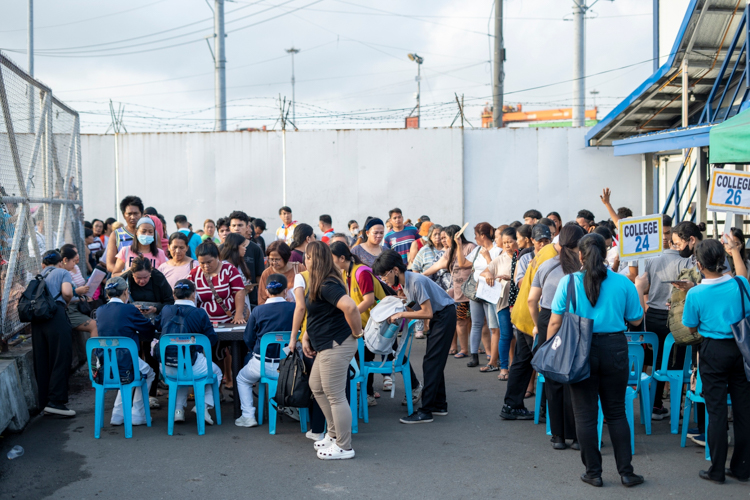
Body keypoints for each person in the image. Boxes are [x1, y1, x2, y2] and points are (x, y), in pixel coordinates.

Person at [548, 233, 644, 488]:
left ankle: (593, 472)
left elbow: (555, 322)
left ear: (580, 255)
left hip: (579, 349)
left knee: (585, 415)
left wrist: (551, 352)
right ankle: (626, 472)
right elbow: (635, 319)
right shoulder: (623, 283)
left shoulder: (568, 283)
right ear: (606, 253)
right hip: (615, 347)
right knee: (616, 412)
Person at [682, 238, 750, 483]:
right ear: (723, 261)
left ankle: (717, 470)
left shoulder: (696, 293)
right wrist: (735, 252)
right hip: (742, 349)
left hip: (712, 351)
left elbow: (690, 327)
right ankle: (742, 467)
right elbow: (742, 274)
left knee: (717, 411)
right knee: (744, 411)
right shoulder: (740, 284)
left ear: (699, 265)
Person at [373, 249, 457, 425]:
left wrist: (401, 315)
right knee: (434, 361)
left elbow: (427, 313)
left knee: (431, 362)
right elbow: (415, 307)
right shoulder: (406, 282)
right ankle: (439, 405)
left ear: (395, 270)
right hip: (441, 316)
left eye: (384, 275)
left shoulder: (415, 280)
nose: (384, 280)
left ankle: (426, 411)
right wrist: (404, 302)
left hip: (444, 316)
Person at [298, 241, 362, 459]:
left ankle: (344, 446)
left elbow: (351, 307)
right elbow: (318, 313)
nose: (303, 260)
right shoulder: (318, 281)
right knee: (316, 386)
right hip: (324, 343)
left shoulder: (327, 283)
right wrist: (306, 335)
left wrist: (357, 332)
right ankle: (334, 435)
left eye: (306, 256)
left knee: (335, 395)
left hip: (336, 343)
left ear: (312, 259)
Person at [528, 225, 585, 450]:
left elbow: (532, 300)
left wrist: (537, 325)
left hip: (548, 319)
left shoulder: (546, 265)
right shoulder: (584, 268)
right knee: (577, 376)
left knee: (553, 376)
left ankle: (558, 436)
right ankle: (579, 436)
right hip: (577, 321)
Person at [632, 216, 690, 421]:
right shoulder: (687, 261)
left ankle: (655, 405)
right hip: (677, 317)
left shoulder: (650, 260)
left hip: (654, 316)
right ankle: (677, 409)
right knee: (677, 364)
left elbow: (644, 286)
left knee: (657, 362)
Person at [501, 223, 557, 420]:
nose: (542, 243)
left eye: (546, 240)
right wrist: (537, 326)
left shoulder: (545, 258)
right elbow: (529, 290)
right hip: (531, 318)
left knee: (523, 362)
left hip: (528, 317)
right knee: (544, 364)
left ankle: (513, 405)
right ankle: (544, 410)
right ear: (531, 239)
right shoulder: (535, 258)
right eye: (539, 240)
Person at [156, 279, 222, 425]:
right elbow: (211, 339)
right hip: (193, 365)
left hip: (167, 367)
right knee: (216, 373)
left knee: (180, 377)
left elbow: (156, 325)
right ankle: (203, 407)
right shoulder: (199, 313)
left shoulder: (166, 310)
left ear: (174, 295)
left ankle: (178, 411)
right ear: (194, 294)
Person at [235, 274, 296, 428]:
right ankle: (294, 407)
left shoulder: (258, 311)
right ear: (285, 291)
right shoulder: (295, 307)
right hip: (291, 366)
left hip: (263, 364)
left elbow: (248, 338)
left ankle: (248, 416)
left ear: (267, 292)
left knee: (242, 379)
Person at [95, 276, 156, 426]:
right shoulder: (129, 309)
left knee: (130, 375)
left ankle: (118, 413)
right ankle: (137, 413)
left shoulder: (100, 310)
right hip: (125, 360)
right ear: (126, 292)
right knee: (147, 373)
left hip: (105, 362)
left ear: (107, 294)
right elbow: (148, 329)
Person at [33, 250, 75, 417]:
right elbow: (67, 292)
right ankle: (56, 402)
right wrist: (66, 304)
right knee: (60, 357)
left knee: (42, 360)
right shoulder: (63, 272)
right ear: (60, 262)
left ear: (43, 264)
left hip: (37, 319)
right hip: (55, 315)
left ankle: (45, 402)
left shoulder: (38, 275)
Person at [423, 225, 475, 358]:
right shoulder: (450, 251)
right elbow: (437, 266)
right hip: (459, 293)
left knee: (479, 322)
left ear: (454, 236)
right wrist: (420, 276)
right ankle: (464, 349)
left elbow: (468, 264)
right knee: (461, 320)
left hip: (474, 292)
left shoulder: (470, 247)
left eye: (445, 237)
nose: (443, 240)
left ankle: (480, 350)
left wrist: (458, 246)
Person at [481, 226, 520, 380]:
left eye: (510, 242)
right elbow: (485, 271)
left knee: (520, 337)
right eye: (504, 242)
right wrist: (489, 274)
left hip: (519, 303)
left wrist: (511, 278)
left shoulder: (522, 258)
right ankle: (504, 368)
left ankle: (516, 367)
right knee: (505, 335)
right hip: (503, 302)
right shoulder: (500, 259)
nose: (507, 245)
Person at [466, 223, 502, 369]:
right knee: (476, 323)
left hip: (490, 291)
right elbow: (466, 265)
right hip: (477, 290)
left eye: (476, 235)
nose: (475, 238)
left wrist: (487, 257)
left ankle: (494, 358)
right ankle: (474, 355)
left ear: (482, 235)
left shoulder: (497, 251)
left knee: (494, 326)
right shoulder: (477, 250)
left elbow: (493, 270)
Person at [189, 241, 247, 325]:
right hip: (203, 322)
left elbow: (239, 291)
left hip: (229, 320)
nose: (206, 266)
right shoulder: (194, 273)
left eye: (209, 262)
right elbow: (186, 293)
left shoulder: (229, 269)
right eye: (202, 263)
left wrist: (238, 314)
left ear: (217, 257)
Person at [59, 244, 98, 370]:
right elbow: (67, 293)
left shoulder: (75, 267)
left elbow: (80, 286)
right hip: (70, 308)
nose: (77, 257)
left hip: (80, 304)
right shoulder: (63, 273)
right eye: (74, 255)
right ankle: (95, 362)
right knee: (94, 325)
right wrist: (78, 292)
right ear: (65, 259)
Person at [227, 211, 264, 307]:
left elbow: (259, 277)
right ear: (230, 228)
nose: (236, 228)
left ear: (248, 227)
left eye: (240, 225)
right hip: (226, 300)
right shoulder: (221, 249)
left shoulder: (255, 249)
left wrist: (261, 299)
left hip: (251, 300)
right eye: (233, 225)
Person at [258, 240, 305, 304]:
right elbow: (262, 299)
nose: (274, 262)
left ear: (286, 258)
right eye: (271, 259)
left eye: (277, 259)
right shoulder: (266, 273)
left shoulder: (298, 268)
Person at [219, 232, 255, 314]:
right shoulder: (224, 267)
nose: (245, 248)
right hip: (231, 308)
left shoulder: (240, 264)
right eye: (243, 246)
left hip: (244, 306)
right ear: (235, 247)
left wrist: (248, 287)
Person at [106, 195, 143, 272]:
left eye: (136, 213)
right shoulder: (116, 235)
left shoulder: (152, 234)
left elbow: (158, 258)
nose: (132, 217)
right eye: (129, 214)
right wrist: (125, 274)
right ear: (123, 215)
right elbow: (110, 264)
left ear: (141, 214)